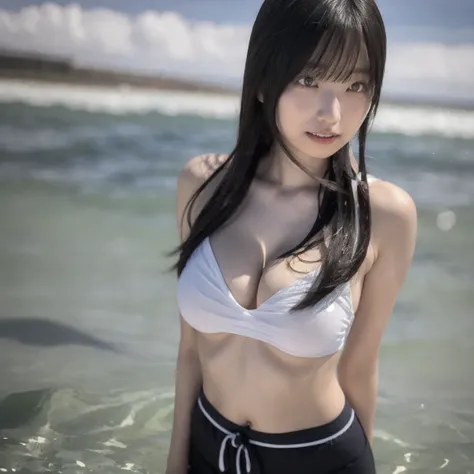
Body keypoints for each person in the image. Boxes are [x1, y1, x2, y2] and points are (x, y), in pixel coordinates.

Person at [166, 0, 417, 473]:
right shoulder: (202, 186)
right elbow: (189, 354)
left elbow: (360, 369)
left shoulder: (383, 214)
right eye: (309, 79)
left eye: (356, 85)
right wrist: (176, 462)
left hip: (319, 460)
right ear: (262, 81)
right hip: (207, 443)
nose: (333, 113)